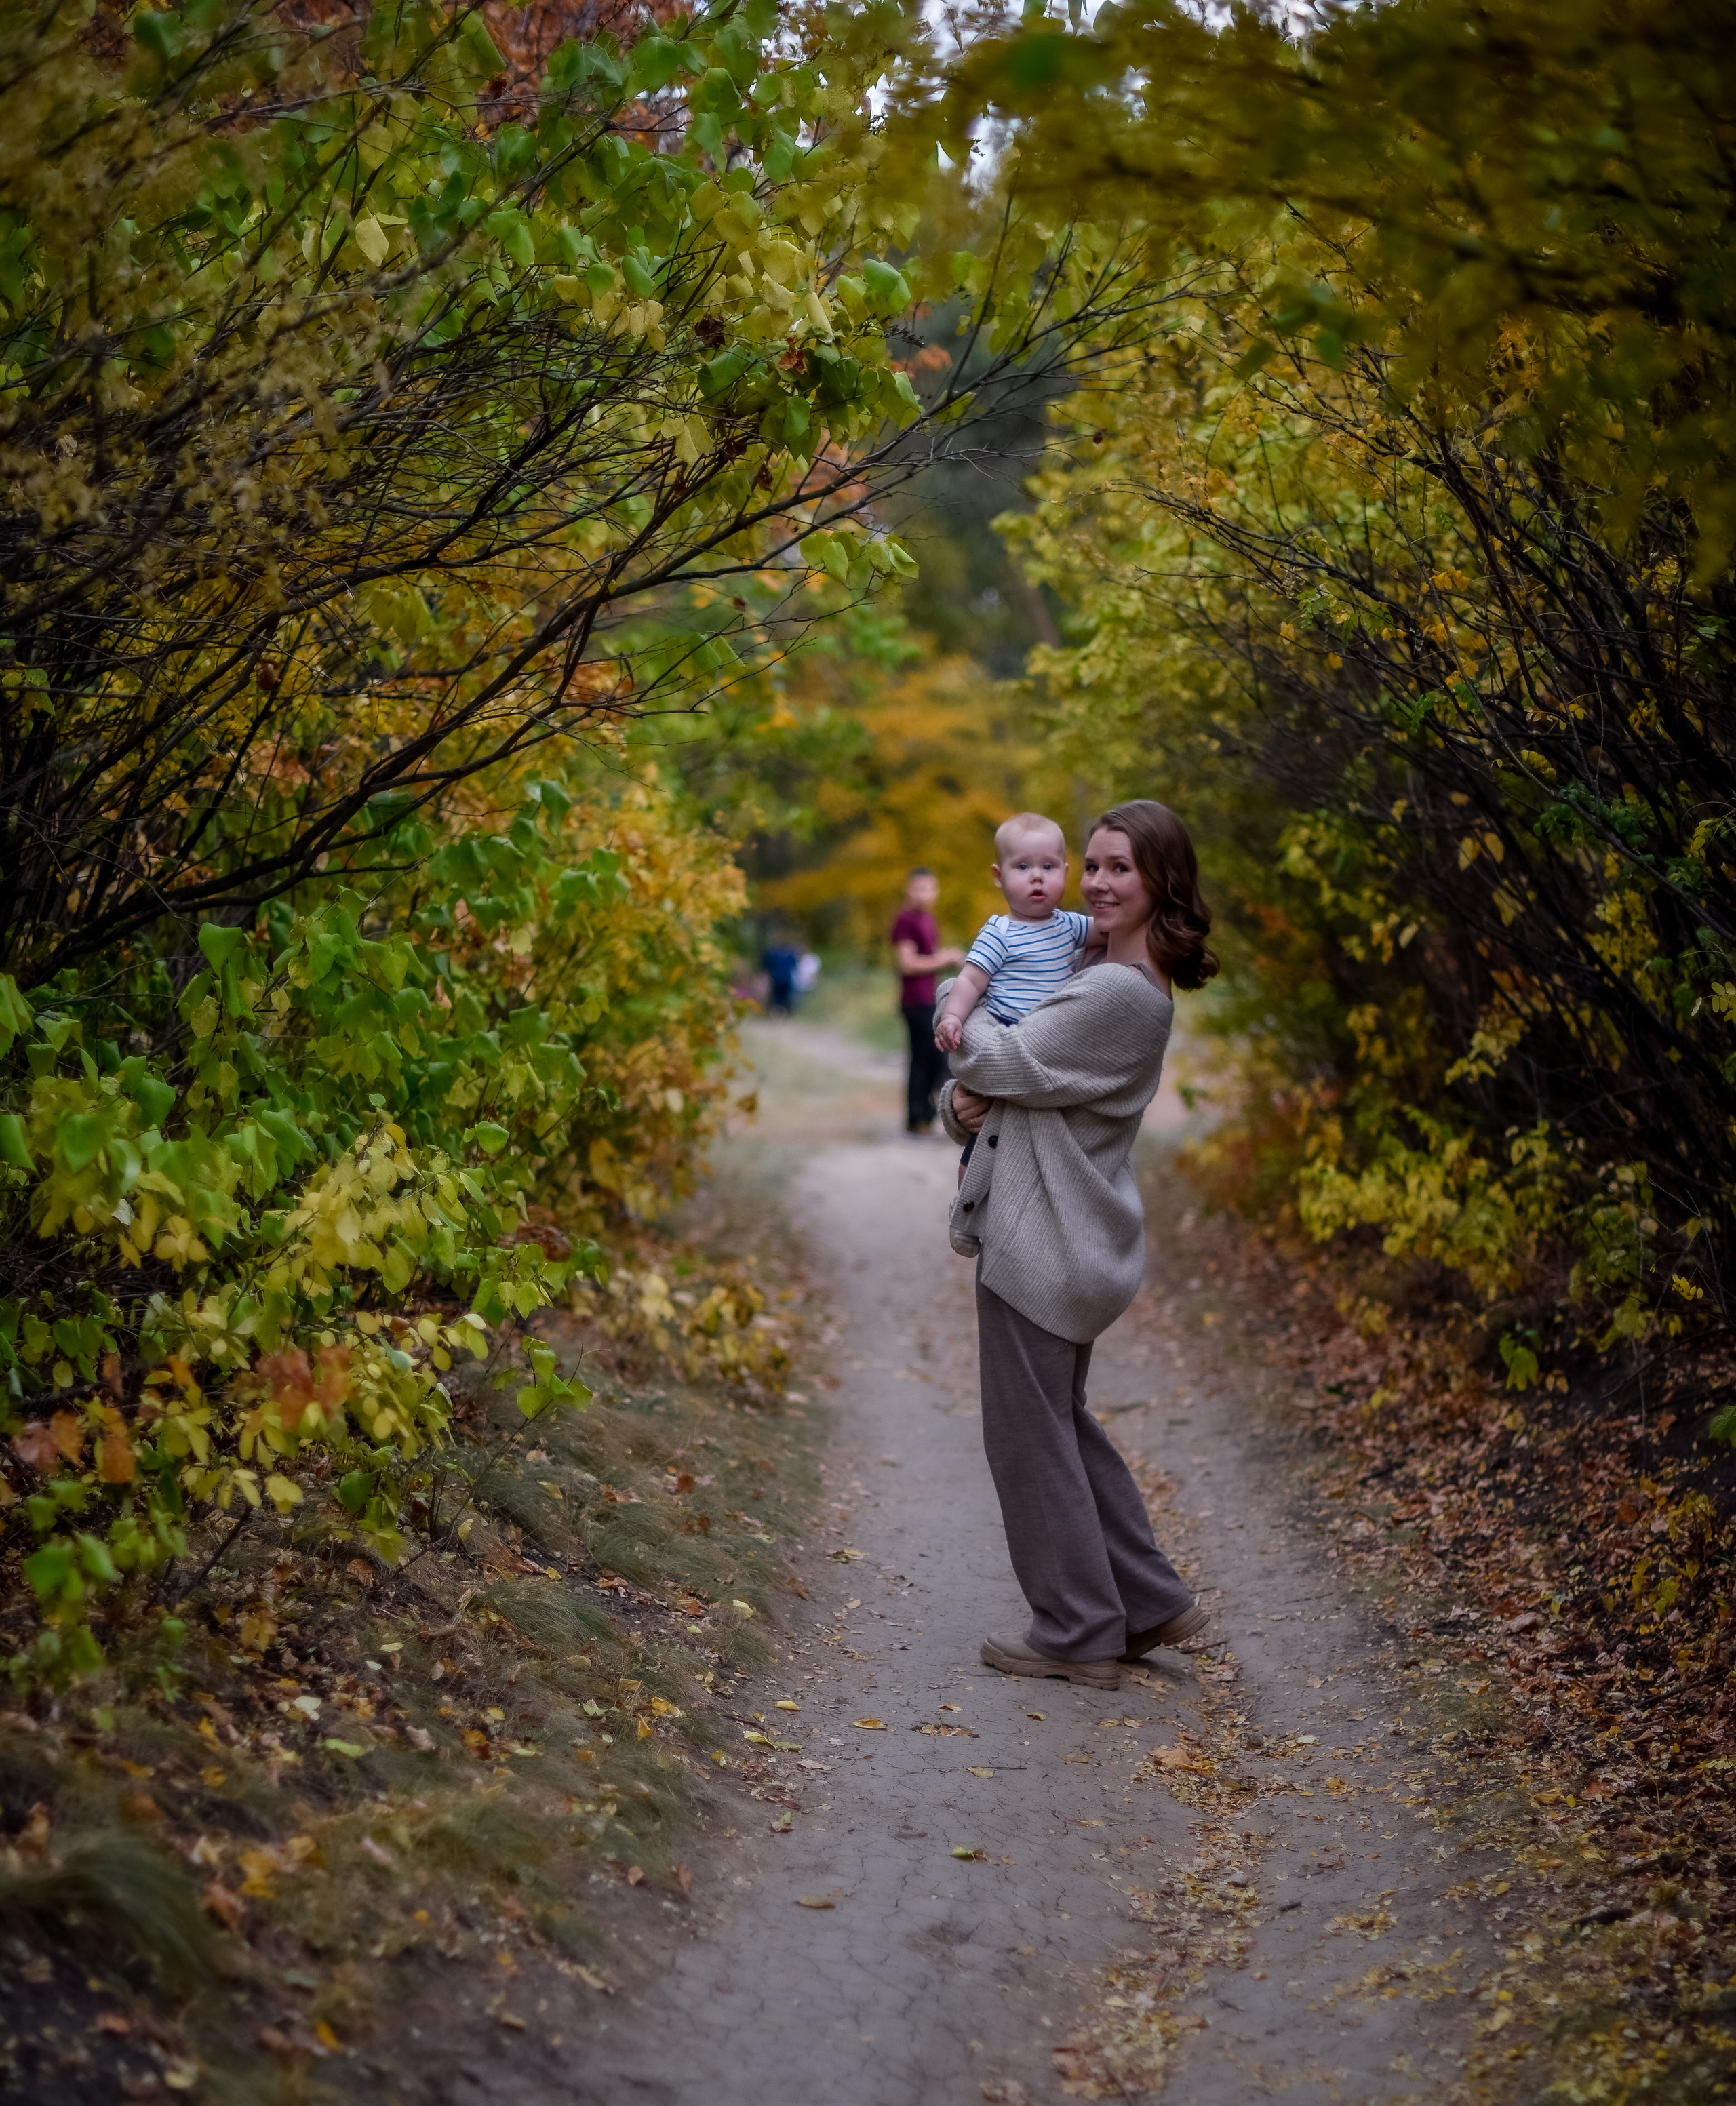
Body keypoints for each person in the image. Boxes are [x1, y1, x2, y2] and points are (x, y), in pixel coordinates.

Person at [940, 800, 1218, 1692]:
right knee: (1062, 1425)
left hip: (1047, 1241)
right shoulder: (1100, 969)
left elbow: (1004, 1063)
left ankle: (1076, 1630)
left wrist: (960, 1007)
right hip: (1064, 1231)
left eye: (1118, 868)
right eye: (1089, 864)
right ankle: (1145, 1598)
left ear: (1160, 882)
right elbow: (1013, 1096)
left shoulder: (1116, 993)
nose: (1096, 881)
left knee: (1029, 1439)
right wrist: (961, 1107)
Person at [933, 812, 1090, 1175]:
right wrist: (953, 1016)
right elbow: (970, 981)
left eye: (1049, 866)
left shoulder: (1070, 925)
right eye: (1022, 866)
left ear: (1066, 874)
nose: (1037, 876)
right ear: (998, 877)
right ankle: (967, 1212)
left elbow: (1111, 933)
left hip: (1048, 1037)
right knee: (981, 1142)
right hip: (1003, 1033)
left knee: (1013, 1136)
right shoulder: (1000, 932)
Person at [890, 868, 963, 1134]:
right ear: (909, 890)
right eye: (919, 888)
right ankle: (919, 1117)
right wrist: (945, 959)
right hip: (915, 1000)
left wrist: (948, 957)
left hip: (928, 998)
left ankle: (922, 1117)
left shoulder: (927, 918)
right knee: (926, 1059)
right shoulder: (906, 920)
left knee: (930, 1058)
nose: (925, 894)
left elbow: (927, 956)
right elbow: (907, 963)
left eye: (930, 888)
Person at [760, 934, 801, 1016]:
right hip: (785, 978)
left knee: (777, 996)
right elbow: (795, 965)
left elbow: (766, 965)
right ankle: (784, 1012)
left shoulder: (773, 952)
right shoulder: (790, 953)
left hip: (777, 978)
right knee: (783, 996)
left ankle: (777, 1012)